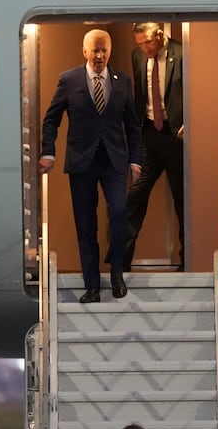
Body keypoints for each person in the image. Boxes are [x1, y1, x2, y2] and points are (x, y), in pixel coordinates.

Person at [40, 27, 143, 303]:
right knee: (86, 225)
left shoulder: (122, 81)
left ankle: (117, 272)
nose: (99, 55)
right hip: (82, 162)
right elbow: (51, 119)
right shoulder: (69, 79)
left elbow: (133, 124)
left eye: (104, 50)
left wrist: (135, 160)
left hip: (114, 160)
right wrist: (48, 152)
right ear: (84, 51)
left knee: (120, 213)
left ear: (109, 52)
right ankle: (93, 286)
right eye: (94, 50)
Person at [124, 21, 184, 270]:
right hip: (148, 133)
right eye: (140, 43)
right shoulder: (137, 55)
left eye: (148, 42)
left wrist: (190, 122)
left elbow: (192, 89)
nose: (145, 48)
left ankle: (186, 260)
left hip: (176, 135)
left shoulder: (182, 53)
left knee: (183, 198)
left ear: (160, 34)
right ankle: (121, 259)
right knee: (135, 195)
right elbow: (140, 94)